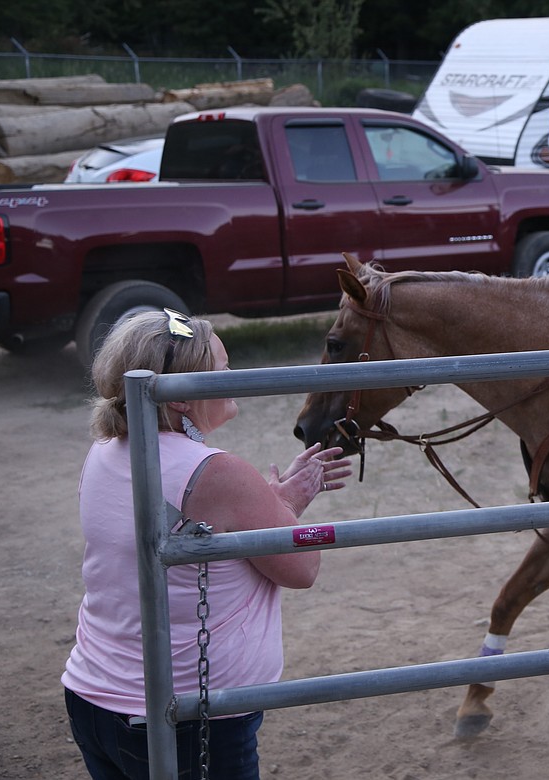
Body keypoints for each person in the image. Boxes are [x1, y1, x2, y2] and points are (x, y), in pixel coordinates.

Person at [62, 308, 352, 780]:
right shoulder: (217, 471)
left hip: (93, 696)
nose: (232, 377)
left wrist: (270, 503)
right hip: (185, 717)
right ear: (180, 398)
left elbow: (197, 528)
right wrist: (288, 505)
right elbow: (303, 570)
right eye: (220, 369)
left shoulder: (105, 450)